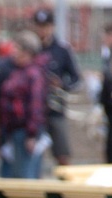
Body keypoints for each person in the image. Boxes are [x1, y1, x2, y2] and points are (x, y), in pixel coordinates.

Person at [32, 9, 81, 166]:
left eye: (45, 26)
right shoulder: (31, 49)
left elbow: (76, 79)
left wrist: (61, 85)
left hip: (55, 107)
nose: (42, 30)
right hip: (33, 109)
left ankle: (65, 185)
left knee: (62, 153)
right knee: (33, 153)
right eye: (39, 26)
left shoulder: (61, 50)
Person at [0, 31, 47, 179]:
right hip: (13, 130)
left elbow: (35, 105)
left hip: (25, 132)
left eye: (17, 49)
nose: (13, 52)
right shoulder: (16, 71)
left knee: (26, 176)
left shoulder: (33, 74)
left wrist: (32, 134)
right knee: (13, 174)